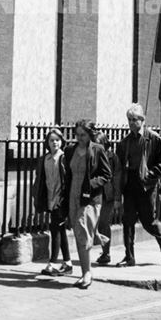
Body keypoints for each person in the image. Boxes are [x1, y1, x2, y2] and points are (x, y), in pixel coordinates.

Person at [114, 103, 161, 266]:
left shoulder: (153, 138)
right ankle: (129, 256)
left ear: (142, 120)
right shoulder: (125, 142)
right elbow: (119, 166)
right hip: (130, 183)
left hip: (147, 185)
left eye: (135, 119)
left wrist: (151, 174)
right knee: (128, 221)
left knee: (148, 222)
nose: (132, 123)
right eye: (129, 120)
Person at [63, 119, 112, 289]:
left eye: (83, 135)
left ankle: (87, 273)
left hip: (90, 198)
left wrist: (91, 184)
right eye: (77, 135)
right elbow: (67, 175)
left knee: (81, 227)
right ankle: (85, 272)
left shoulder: (97, 150)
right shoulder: (70, 150)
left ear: (90, 134)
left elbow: (107, 175)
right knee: (79, 232)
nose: (79, 138)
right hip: (73, 196)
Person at [31, 127, 73, 276]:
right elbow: (41, 179)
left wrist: (64, 199)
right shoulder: (45, 159)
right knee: (60, 229)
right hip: (49, 197)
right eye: (51, 140)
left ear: (61, 141)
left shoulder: (64, 158)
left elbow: (68, 180)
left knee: (55, 229)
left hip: (60, 199)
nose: (54, 142)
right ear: (47, 143)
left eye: (57, 140)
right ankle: (67, 263)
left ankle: (53, 263)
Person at [94, 130, 120, 266]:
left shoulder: (112, 157)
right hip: (93, 194)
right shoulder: (91, 156)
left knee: (104, 224)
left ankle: (106, 252)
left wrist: (117, 198)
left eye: (99, 144)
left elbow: (117, 177)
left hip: (107, 196)